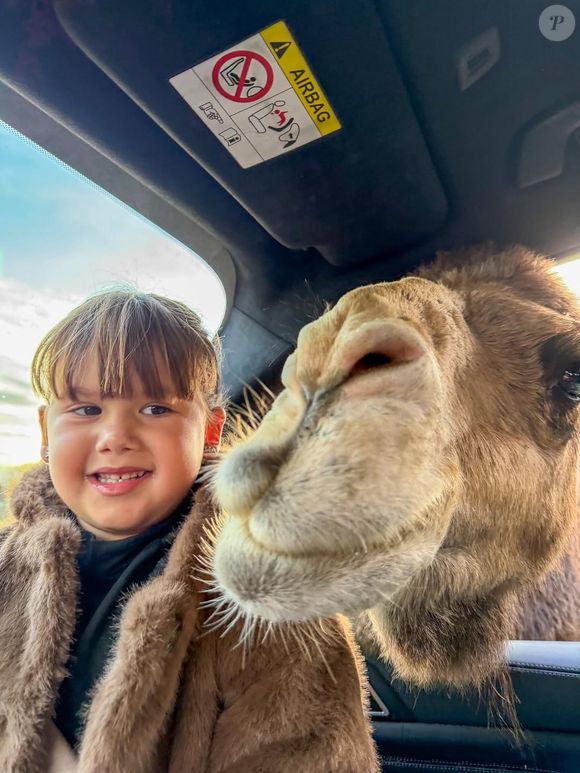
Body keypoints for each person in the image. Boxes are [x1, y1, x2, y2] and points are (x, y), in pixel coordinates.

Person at [0, 289, 378, 773]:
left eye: (156, 408)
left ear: (211, 432)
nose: (115, 437)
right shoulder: (9, 568)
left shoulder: (267, 606)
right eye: (86, 410)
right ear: (46, 434)